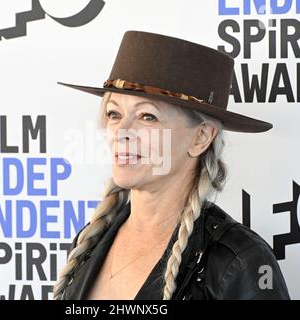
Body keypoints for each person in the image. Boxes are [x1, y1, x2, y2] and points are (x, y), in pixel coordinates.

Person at [53, 30, 290, 300]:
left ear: (201, 137)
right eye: (114, 113)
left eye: (147, 116)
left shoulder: (238, 260)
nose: (121, 131)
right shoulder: (90, 240)